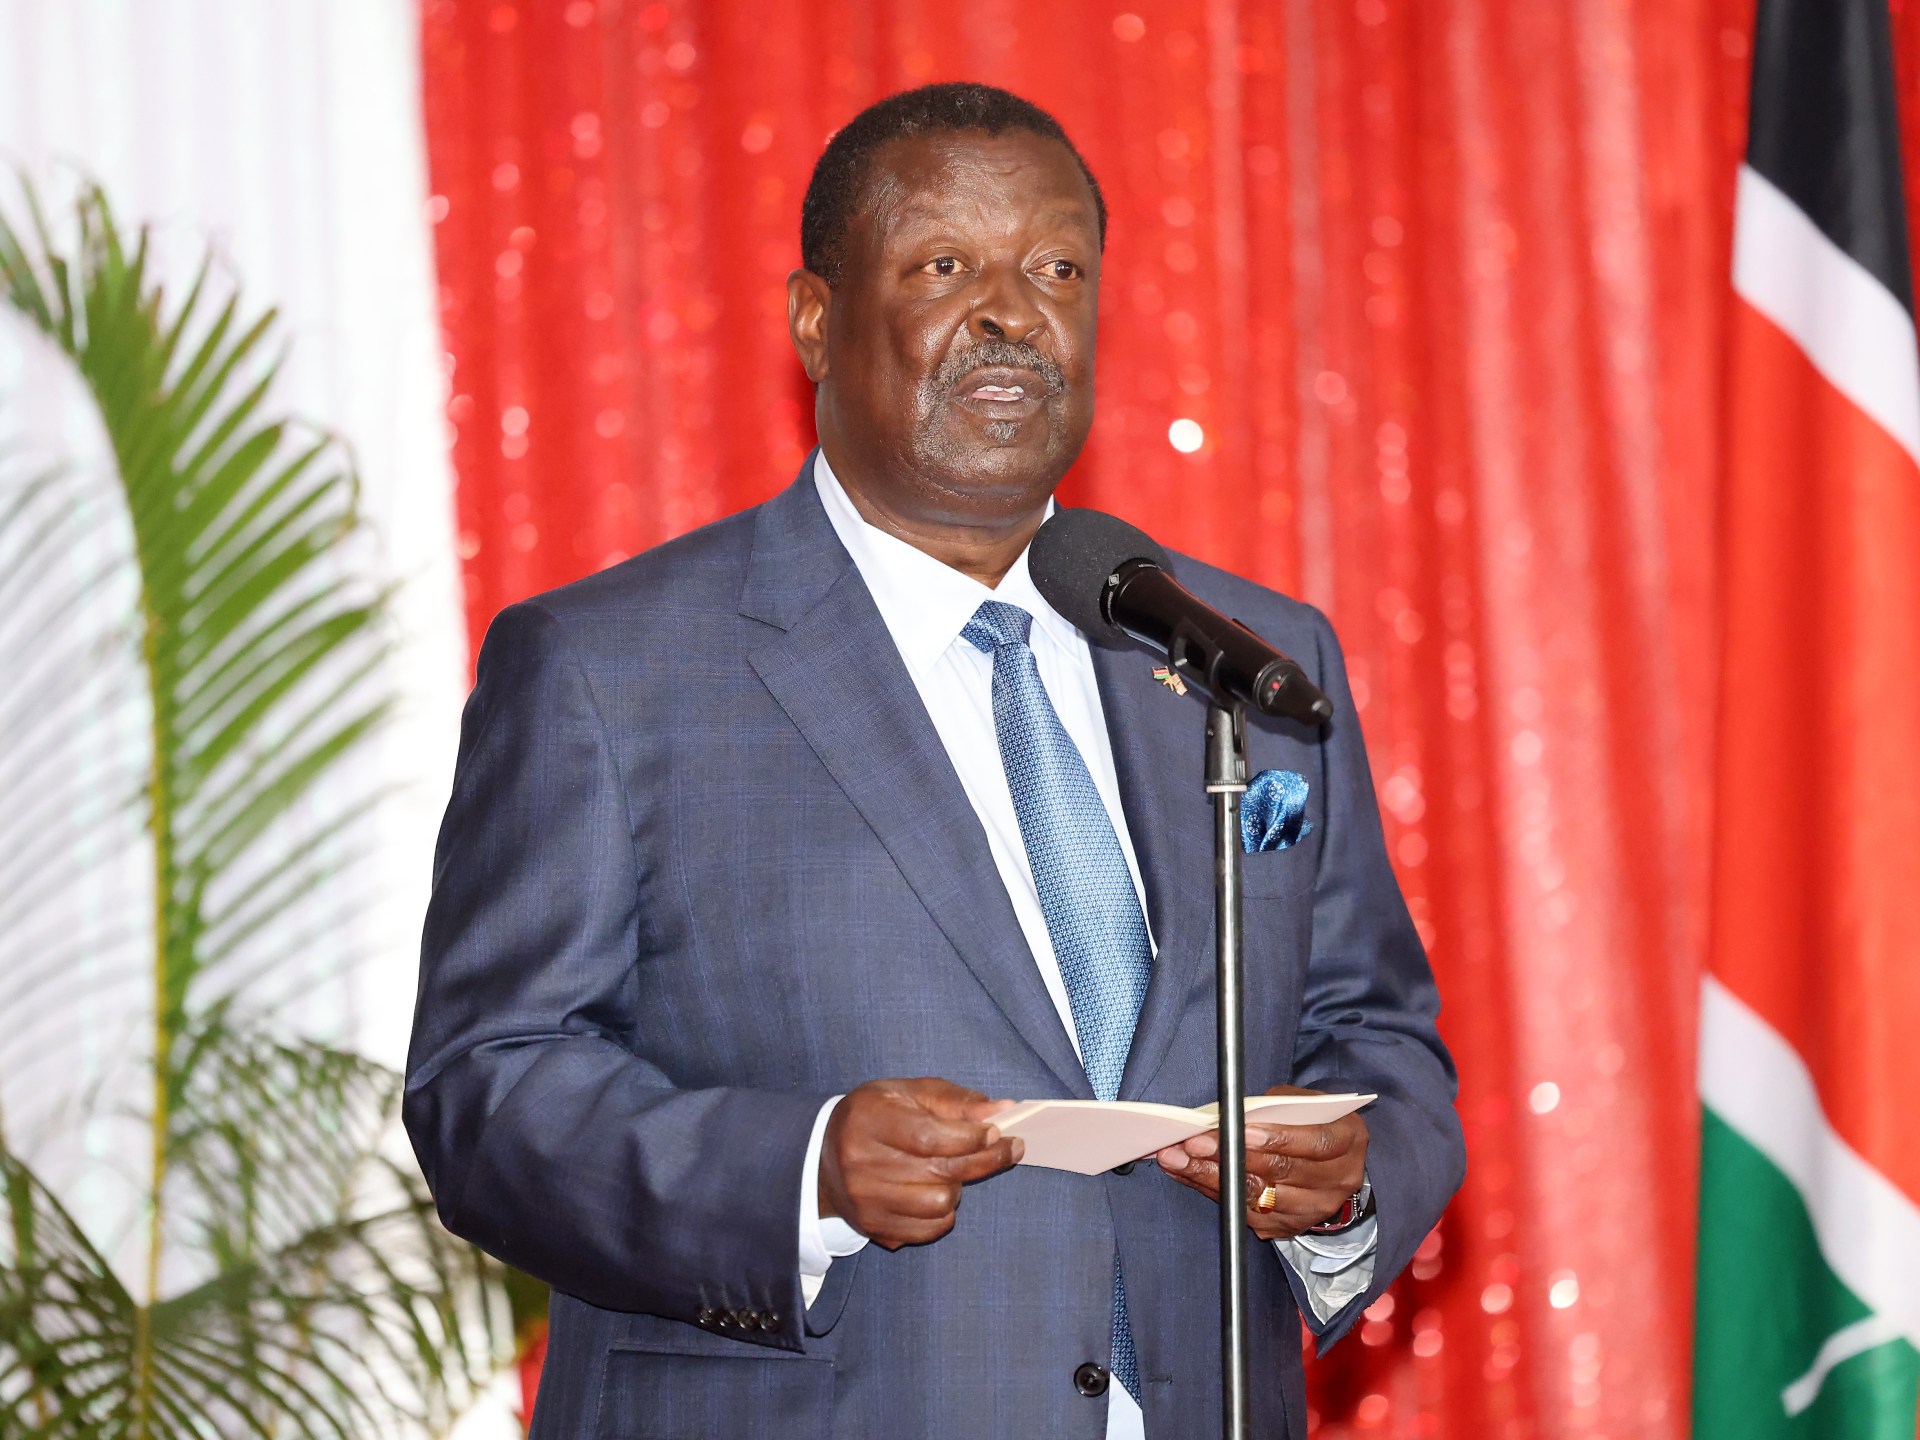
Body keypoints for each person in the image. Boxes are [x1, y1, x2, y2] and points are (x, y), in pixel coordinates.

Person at [405, 81, 1464, 1440]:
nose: (1013, 313)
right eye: (946, 266)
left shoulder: (1240, 657)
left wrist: (1346, 1180)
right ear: (817, 319)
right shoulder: (612, 669)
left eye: (1057, 269)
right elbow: (488, 1087)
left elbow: (1378, 1033)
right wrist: (802, 1172)